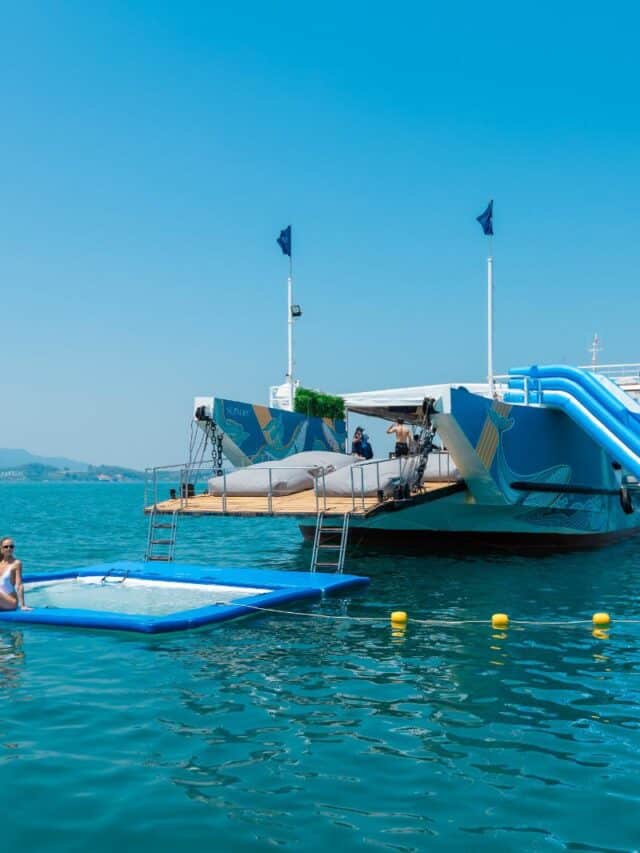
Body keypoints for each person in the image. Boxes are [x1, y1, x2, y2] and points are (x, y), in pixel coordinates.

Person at [0, 538, 30, 612]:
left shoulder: (16, 563)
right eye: (6, 546)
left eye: (11, 546)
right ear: (1, 548)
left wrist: (22, 605)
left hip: (11, 602)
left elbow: (19, 585)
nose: (9, 548)